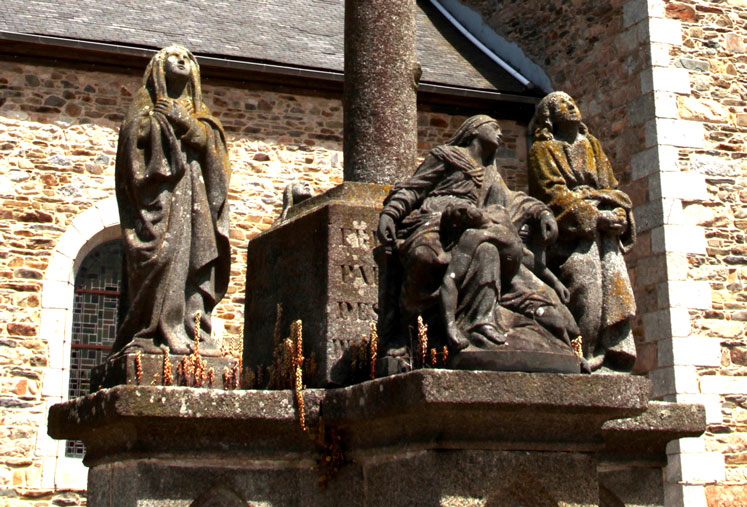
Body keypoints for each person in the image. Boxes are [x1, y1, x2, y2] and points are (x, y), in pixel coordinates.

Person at [377, 115, 577, 357]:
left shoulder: (492, 174)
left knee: (489, 255)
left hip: (473, 226)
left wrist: (542, 212)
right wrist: (390, 213)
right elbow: (413, 189)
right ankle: (409, 329)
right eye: (494, 126)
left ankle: (480, 325)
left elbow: (513, 200)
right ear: (474, 130)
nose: (500, 133)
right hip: (436, 221)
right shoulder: (446, 156)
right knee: (425, 257)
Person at [112, 46, 231, 356]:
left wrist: (183, 121)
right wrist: (158, 125)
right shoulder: (143, 112)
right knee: (164, 258)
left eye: (188, 59)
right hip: (161, 203)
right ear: (157, 68)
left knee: (195, 259)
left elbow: (211, 146)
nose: (182, 61)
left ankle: (192, 330)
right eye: (173, 57)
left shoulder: (200, 113)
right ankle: (154, 330)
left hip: (195, 201)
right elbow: (132, 152)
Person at [528, 91, 637, 372]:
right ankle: (581, 354)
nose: (571, 106)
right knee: (585, 283)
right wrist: (595, 217)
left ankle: (611, 354)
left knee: (615, 283)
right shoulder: (543, 150)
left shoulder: (592, 145)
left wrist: (618, 213)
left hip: (603, 234)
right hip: (569, 237)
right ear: (550, 116)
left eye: (573, 102)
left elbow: (611, 187)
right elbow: (552, 195)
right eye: (562, 104)